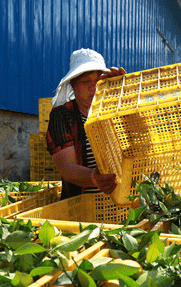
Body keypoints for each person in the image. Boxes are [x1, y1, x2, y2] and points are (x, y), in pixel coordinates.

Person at [46, 48, 126, 200]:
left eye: (98, 81)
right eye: (85, 82)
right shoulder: (62, 116)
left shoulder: (115, 109)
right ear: (73, 86)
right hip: (83, 206)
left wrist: (127, 94)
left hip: (121, 202)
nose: (93, 87)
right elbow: (66, 167)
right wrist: (93, 178)